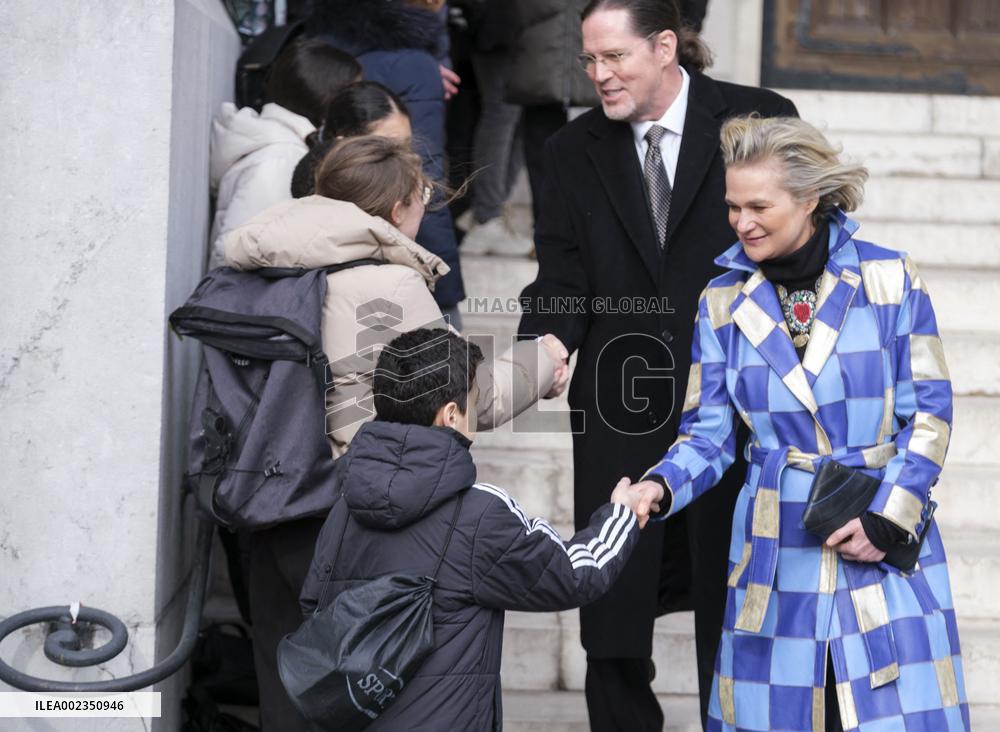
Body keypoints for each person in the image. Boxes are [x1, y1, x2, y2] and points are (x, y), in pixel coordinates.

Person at [222, 135, 570, 731]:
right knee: (364, 700)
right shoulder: (387, 284)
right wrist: (543, 359)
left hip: (262, 502)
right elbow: (464, 396)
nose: (424, 210)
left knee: (286, 695)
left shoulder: (256, 263)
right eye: (423, 196)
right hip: (347, 513)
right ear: (394, 208)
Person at [633, 114, 968, 731]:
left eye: (759, 206)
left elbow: (929, 414)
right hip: (775, 544)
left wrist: (887, 518)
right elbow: (708, 435)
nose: (742, 223)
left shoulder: (888, 278)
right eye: (733, 207)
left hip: (878, 534)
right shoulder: (722, 301)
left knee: (883, 714)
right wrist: (657, 485)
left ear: (810, 198)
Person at [516, 1, 798, 728]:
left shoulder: (757, 117)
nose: (598, 75)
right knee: (611, 601)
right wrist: (544, 346)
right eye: (589, 60)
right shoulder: (570, 151)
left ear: (666, 46)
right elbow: (561, 277)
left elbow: (801, 244)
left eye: (615, 58)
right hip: (620, 394)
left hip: (739, 399)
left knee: (735, 594)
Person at [299, 327, 665, 730]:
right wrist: (623, 515)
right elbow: (576, 574)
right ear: (451, 415)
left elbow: (313, 603)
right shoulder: (479, 515)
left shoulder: (347, 500)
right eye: (475, 398)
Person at [305, 0, 466, 319]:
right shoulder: (413, 66)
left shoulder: (321, 46)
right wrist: (446, 292)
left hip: (324, 261)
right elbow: (422, 182)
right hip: (389, 265)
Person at [208, 39, 361, 268]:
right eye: (350, 95)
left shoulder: (276, 141)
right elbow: (235, 252)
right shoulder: (281, 157)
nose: (353, 106)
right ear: (326, 97)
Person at [290, 81, 414, 198]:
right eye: (389, 146)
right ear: (344, 144)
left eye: (407, 145)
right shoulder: (324, 191)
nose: (405, 158)